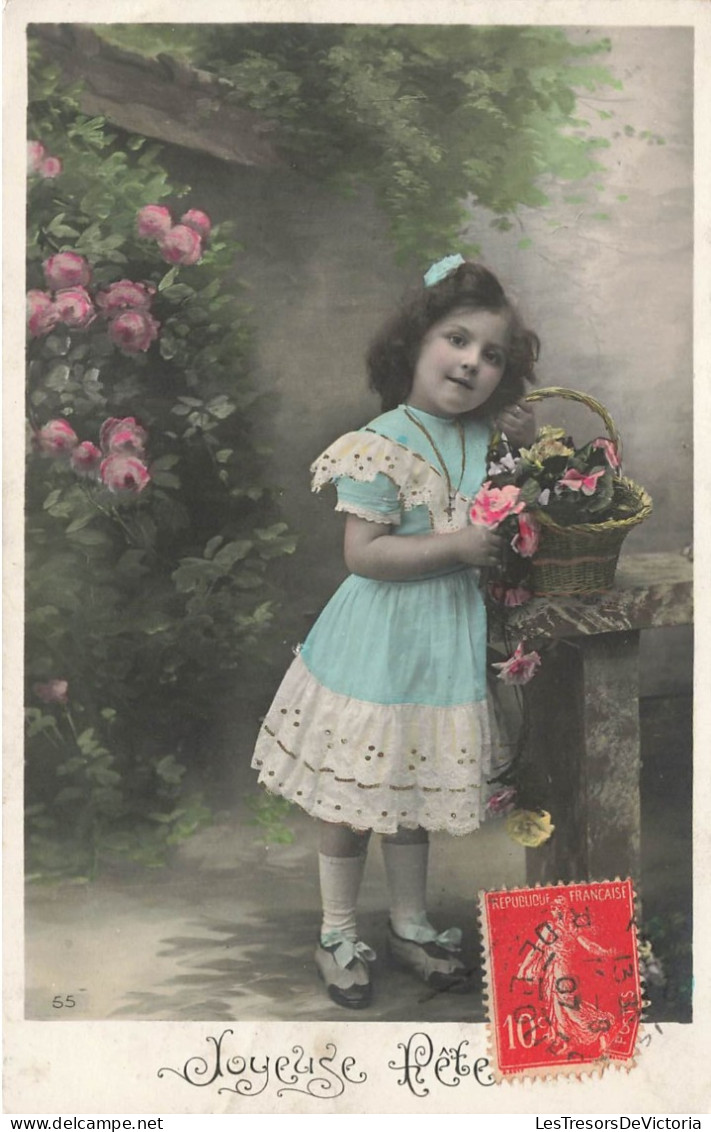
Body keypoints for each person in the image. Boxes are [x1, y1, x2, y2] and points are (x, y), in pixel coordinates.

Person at [251, 255, 539, 1009]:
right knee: (350, 804)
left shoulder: (485, 439)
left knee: (410, 794)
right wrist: (455, 548)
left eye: (491, 355)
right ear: (414, 342)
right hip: (375, 647)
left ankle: (410, 922)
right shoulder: (379, 441)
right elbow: (364, 554)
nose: (471, 361)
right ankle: (338, 929)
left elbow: (514, 500)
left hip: (442, 644)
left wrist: (524, 441)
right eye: (456, 339)